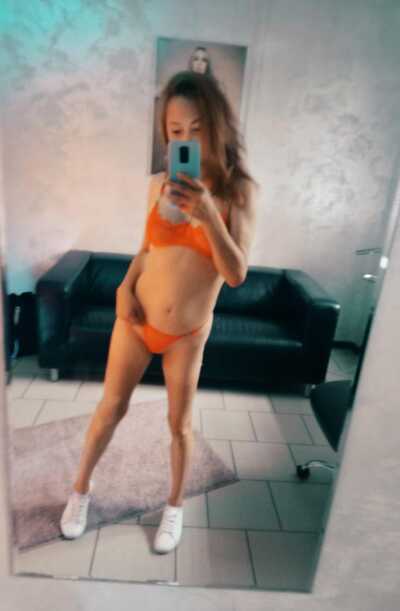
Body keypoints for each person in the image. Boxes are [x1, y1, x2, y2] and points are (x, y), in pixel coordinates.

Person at [60, 70, 259, 554]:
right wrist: (124, 287)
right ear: (166, 135)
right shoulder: (158, 185)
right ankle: (80, 491)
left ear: (217, 126)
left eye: (197, 128)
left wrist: (209, 214)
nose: (186, 138)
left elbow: (236, 273)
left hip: (187, 334)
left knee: (179, 425)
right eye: (175, 130)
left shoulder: (239, 192)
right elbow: (147, 249)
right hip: (136, 321)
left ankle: (174, 507)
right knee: (110, 409)